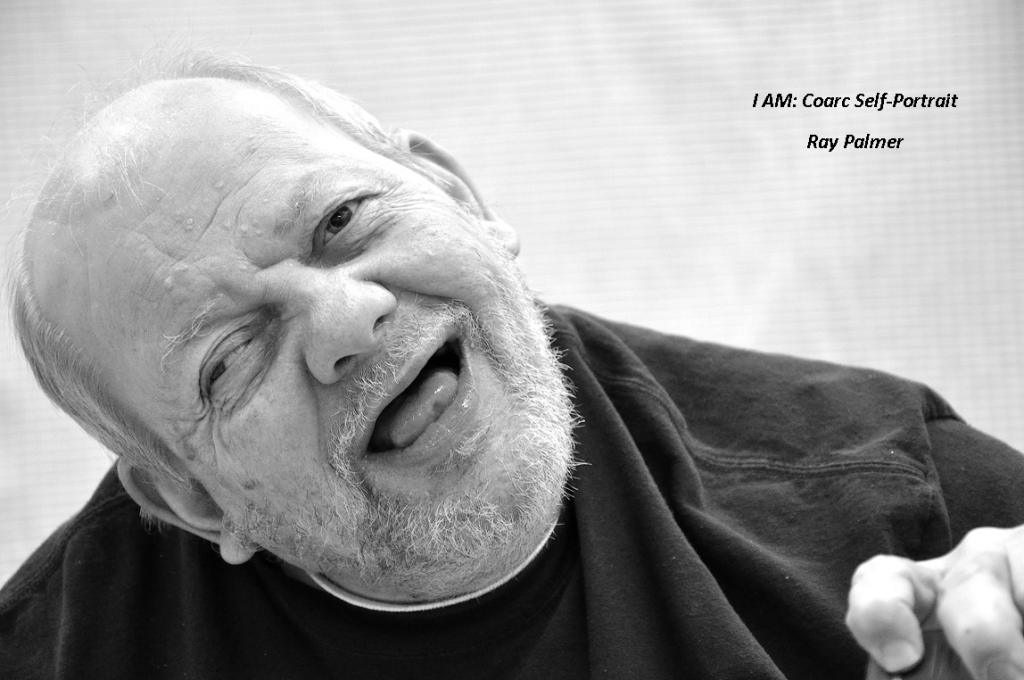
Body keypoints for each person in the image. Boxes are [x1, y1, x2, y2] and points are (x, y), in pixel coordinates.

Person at [2, 52, 1024, 680]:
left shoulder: (907, 516)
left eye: (343, 220)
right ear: (188, 498)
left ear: (459, 197)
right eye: (230, 357)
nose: (347, 318)